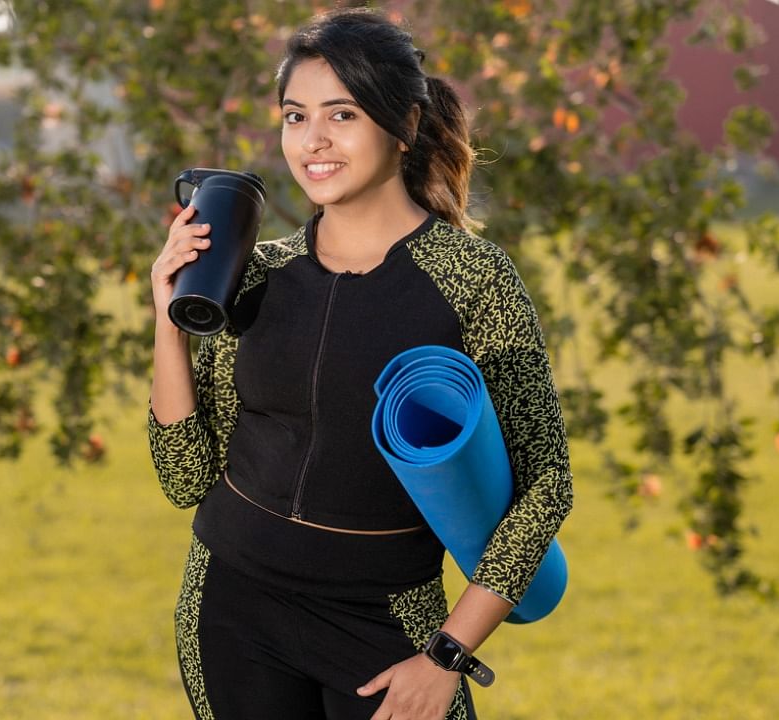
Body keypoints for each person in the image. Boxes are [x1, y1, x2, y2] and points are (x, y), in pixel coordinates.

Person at [147, 8, 573, 720]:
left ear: (403, 125)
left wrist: (447, 655)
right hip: (231, 611)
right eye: (294, 116)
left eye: (341, 115)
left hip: (386, 622)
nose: (312, 141)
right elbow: (184, 475)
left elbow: (547, 483)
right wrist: (170, 322)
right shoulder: (255, 276)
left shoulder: (475, 280)